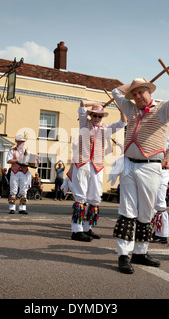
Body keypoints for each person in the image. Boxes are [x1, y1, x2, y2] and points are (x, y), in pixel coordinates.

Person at [111, 58, 169, 274]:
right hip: (128, 164)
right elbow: (116, 92)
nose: (137, 97)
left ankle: (140, 252)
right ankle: (123, 255)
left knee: (146, 211)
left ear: (150, 92)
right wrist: (135, 82)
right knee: (127, 210)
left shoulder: (164, 109)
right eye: (134, 94)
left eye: (141, 93)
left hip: (150, 166)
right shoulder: (131, 108)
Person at [70, 100, 127, 242]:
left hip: (97, 164)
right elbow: (82, 103)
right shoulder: (84, 123)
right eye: (94, 115)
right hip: (83, 162)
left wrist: (122, 110)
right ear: (91, 115)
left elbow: (122, 123)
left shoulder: (105, 128)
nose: (96, 118)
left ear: (103, 118)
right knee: (80, 196)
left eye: (99, 116)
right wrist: (96, 102)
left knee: (95, 197)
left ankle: (87, 228)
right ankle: (76, 230)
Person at [152, 124, 169, 244]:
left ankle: (162, 234)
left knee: (160, 201)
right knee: (152, 201)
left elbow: (162, 147)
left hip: (162, 170)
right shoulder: (158, 136)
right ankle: (154, 230)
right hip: (153, 170)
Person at [6, 135, 33, 214]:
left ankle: (22, 208)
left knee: (23, 191)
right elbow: (8, 160)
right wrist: (17, 160)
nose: (22, 143)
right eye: (20, 141)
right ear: (17, 142)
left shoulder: (26, 151)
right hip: (15, 172)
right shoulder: (12, 150)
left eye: (23, 142)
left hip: (24, 172)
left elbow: (30, 161)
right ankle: (12, 208)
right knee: (13, 190)